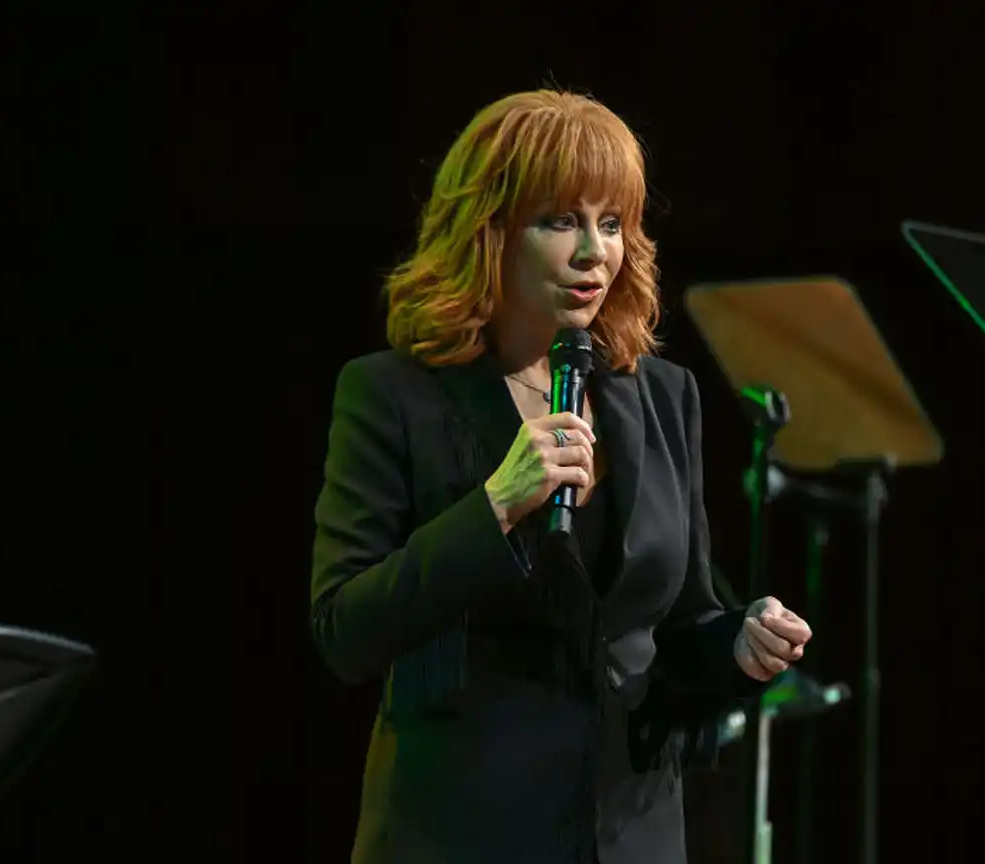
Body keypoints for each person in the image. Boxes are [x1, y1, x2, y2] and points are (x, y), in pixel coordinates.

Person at [309, 89, 814, 864]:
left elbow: (679, 624)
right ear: (491, 232)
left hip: (631, 835)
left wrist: (737, 646)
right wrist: (496, 506)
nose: (594, 253)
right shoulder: (392, 395)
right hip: (462, 833)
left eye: (610, 224)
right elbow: (345, 630)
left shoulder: (661, 394)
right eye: (561, 221)